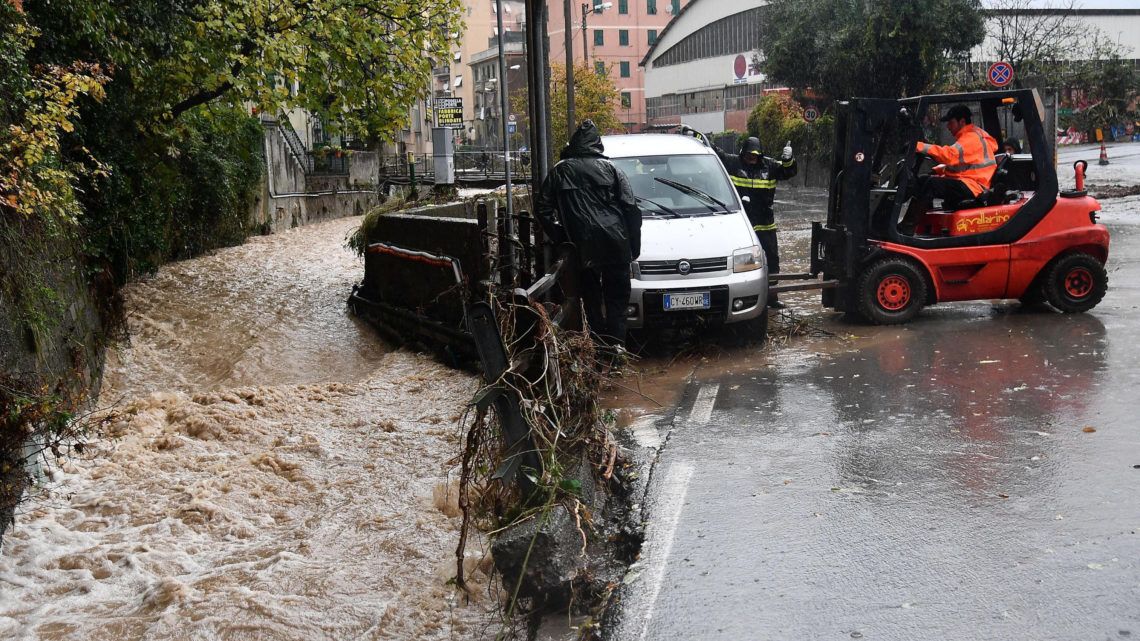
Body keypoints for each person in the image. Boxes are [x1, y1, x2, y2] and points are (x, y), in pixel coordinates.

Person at [536, 120, 641, 350]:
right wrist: (634, 246)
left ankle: (597, 347)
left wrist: (561, 237)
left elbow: (542, 208)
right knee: (617, 300)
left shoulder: (561, 170)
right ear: (598, 145)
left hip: (581, 246)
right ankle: (615, 351)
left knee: (590, 299)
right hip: (616, 242)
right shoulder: (613, 170)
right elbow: (631, 209)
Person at [687, 129, 796, 308]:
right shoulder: (733, 163)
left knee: (771, 259)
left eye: (755, 156)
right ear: (742, 153)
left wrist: (788, 159)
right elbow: (716, 153)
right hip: (741, 223)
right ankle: (744, 297)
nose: (751, 159)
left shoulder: (769, 166)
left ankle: (771, 298)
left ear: (760, 155)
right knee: (741, 261)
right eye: (748, 155)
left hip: (765, 223)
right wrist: (699, 137)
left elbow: (788, 171)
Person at [902, 104, 999, 228]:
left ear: (962, 122)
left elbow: (949, 156)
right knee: (923, 180)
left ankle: (908, 227)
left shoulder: (971, 138)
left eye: (950, 122)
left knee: (932, 184)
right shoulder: (971, 135)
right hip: (970, 181)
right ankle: (920, 223)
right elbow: (963, 165)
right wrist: (939, 170)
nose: (948, 126)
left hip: (974, 186)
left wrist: (919, 146)